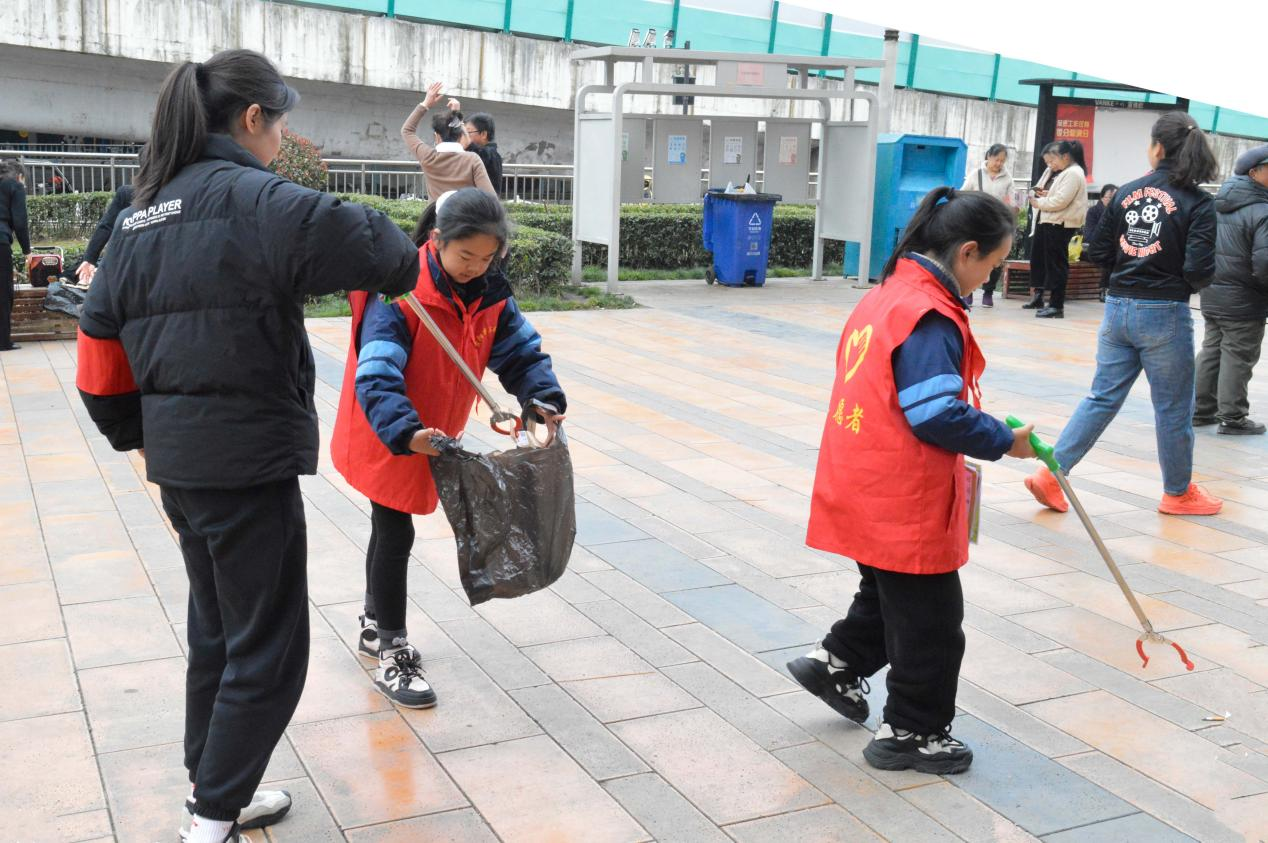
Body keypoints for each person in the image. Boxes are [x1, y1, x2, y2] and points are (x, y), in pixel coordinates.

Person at [76, 49, 420, 843]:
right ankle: (210, 820)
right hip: (246, 464)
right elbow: (387, 253)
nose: (283, 139)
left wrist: (150, 434)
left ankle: (214, 786)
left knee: (219, 629)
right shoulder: (261, 201)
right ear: (253, 119)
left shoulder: (138, 214)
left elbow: (97, 365)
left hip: (183, 468)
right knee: (270, 649)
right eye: (281, 122)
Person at [789, 187, 1037, 775]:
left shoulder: (888, 294)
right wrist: (1004, 438)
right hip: (903, 494)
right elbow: (934, 413)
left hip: (864, 480)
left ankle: (837, 663)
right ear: (968, 252)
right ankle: (914, 731)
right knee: (930, 623)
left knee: (887, 593)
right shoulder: (927, 313)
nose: (988, 281)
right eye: (993, 267)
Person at [331, 188, 566, 707]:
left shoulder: (491, 293)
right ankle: (393, 651)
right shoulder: (400, 290)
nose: (475, 268)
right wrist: (404, 430)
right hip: (389, 429)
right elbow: (378, 369)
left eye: (487, 258)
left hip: (432, 435)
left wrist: (541, 397)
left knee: (387, 526)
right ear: (437, 241)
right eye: (466, 256)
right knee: (395, 530)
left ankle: (374, 624)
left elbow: (521, 352)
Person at [1025, 111, 1222, 517]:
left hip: (1117, 308)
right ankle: (1177, 492)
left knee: (1101, 397)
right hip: (1165, 313)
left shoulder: (1128, 191)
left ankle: (1051, 475)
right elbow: (1199, 269)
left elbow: (1097, 251)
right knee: (1172, 408)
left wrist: (1128, 273)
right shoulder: (1200, 203)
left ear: (1158, 148)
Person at [1194, 144, 1268, 435]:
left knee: (1212, 350)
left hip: (1213, 291)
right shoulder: (1263, 210)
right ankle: (1233, 417)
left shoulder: (1219, 202)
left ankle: (1199, 410)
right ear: (1255, 173)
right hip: (1245, 297)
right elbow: (1265, 262)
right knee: (1239, 355)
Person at [1026, 139, 1089, 318]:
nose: (1050, 165)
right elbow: (1060, 196)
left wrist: (1037, 202)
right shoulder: (1068, 172)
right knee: (1053, 265)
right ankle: (1052, 303)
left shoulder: (1073, 173)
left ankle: (1056, 305)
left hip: (1059, 223)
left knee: (1057, 266)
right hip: (1055, 222)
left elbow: (1060, 201)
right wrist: (1046, 196)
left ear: (1065, 156)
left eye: (1052, 161)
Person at [401, 82, 497, 198]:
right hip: (465, 215)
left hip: (435, 215)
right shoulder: (472, 159)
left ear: (437, 136)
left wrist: (425, 103)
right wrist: (456, 115)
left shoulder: (427, 156)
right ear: (461, 135)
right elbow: (491, 198)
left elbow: (407, 131)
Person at [960, 143, 1016, 308]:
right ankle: (968, 291)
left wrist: (1013, 210)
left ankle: (988, 292)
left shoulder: (1007, 178)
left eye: (1002, 161)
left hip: (997, 222)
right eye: (996, 159)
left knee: (994, 256)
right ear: (988, 157)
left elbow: (1014, 199)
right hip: (976, 221)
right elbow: (963, 192)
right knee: (973, 254)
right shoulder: (976, 174)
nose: (999, 163)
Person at [76, 182, 135, 284]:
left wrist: (90, 259)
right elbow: (106, 226)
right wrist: (90, 259)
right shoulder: (127, 193)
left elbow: (106, 226)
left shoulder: (128, 193)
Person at [1, 161, 32, 351]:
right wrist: (27, 251)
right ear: (20, 175)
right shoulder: (15, 185)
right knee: (3, 293)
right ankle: (3, 341)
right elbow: (20, 221)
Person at [1084, 183, 1119, 301]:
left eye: (1115, 198)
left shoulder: (1119, 212)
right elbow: (1089, 235)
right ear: (1102, 197)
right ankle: (1104, 289)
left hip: (1113, 247)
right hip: (1094, 248)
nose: (1112, 201)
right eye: (1109, 197)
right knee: (1110, 257)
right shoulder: (1093, 211)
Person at [464, 111, 503, 196]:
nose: (464, 137)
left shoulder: (491, 154)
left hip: (484, 205)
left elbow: (480, 156)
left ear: (484, 134)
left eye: (468, 133)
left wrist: (468, 144)